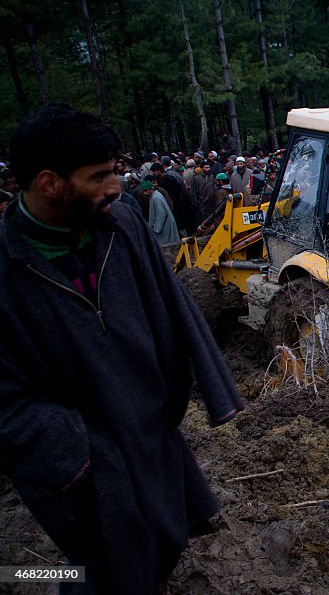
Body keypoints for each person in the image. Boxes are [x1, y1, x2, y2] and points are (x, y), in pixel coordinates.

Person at [0, 103, 243, 593]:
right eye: (99, 176)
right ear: (49, 183)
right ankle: (32, 581)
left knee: (167, 537)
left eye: (116, 171)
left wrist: (192, 392)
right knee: (104, 566)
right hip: (79, 460)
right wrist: (75, 448)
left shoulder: (123, 226)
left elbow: (171, 306)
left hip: (148, 429)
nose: (116, 186)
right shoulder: (7, 270)